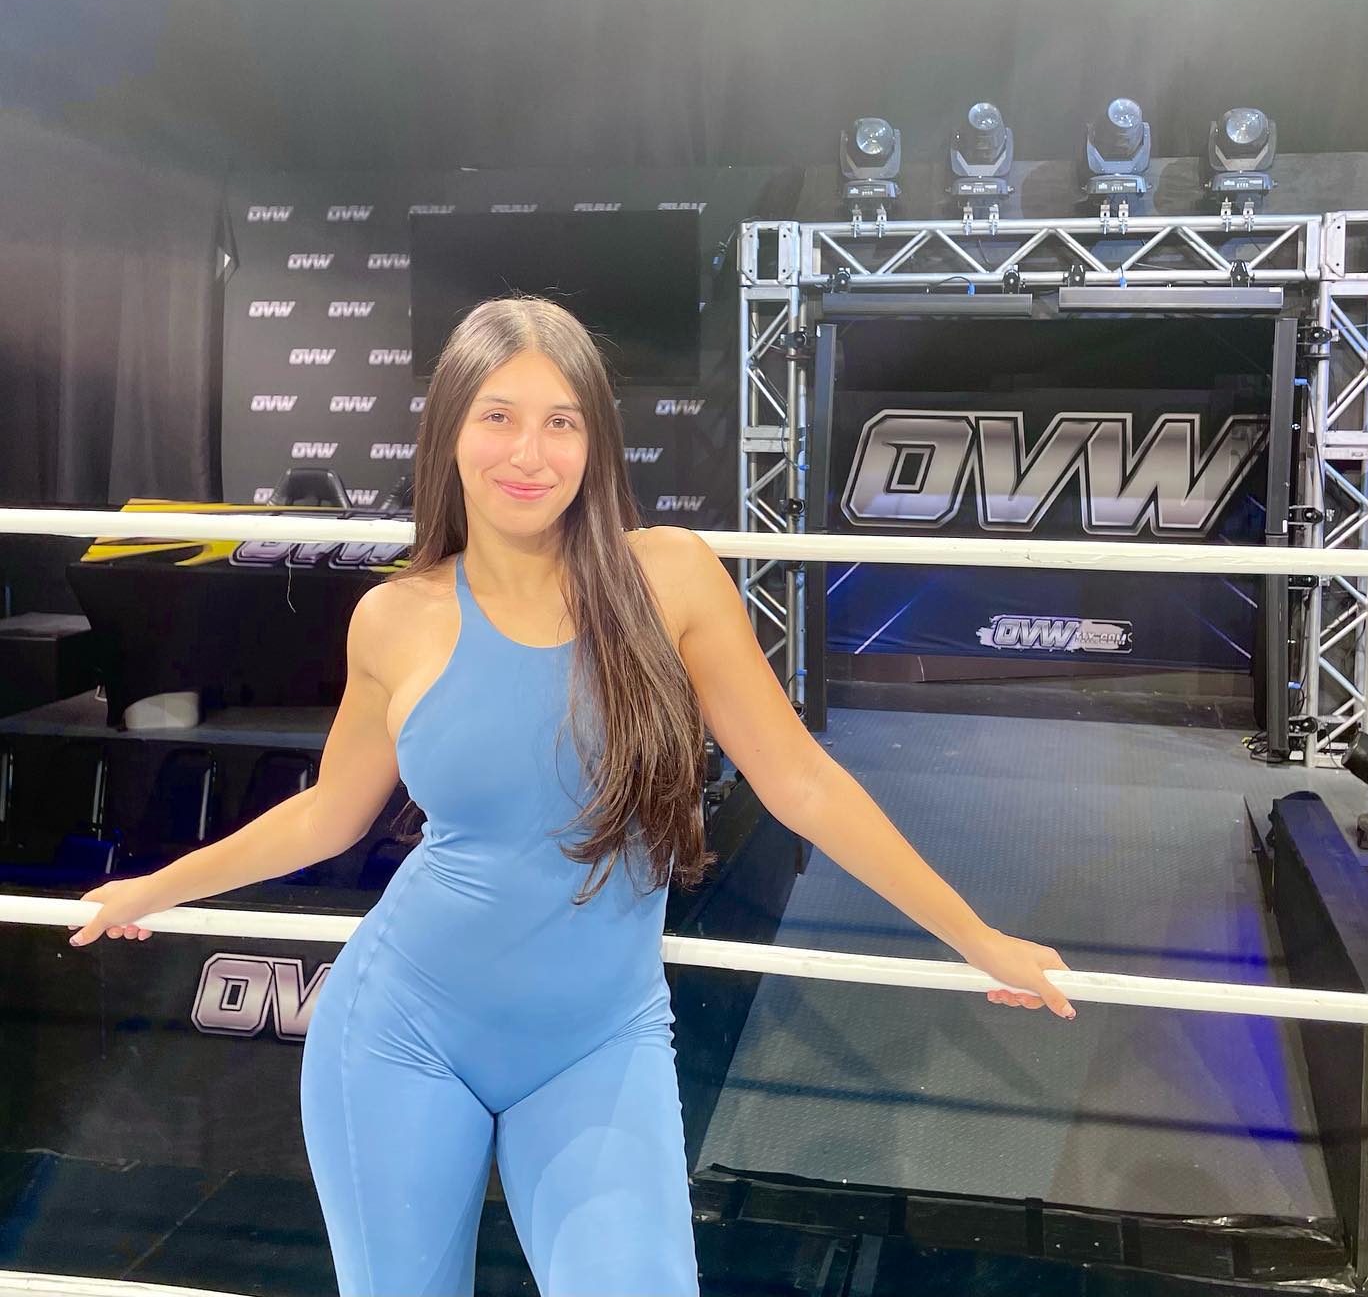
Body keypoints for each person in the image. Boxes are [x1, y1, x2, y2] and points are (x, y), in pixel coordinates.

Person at [69, 295, 1074, 1296]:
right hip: (400, 1034)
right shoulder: (394, 617)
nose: (529, 453)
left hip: (599, 1043)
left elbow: (800, 780)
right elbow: (330, 813)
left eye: (561, 422)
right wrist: (156, 887)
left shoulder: (670, 578)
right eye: (498, 417)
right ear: (450, 431)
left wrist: (976, 936)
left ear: (596, 443)